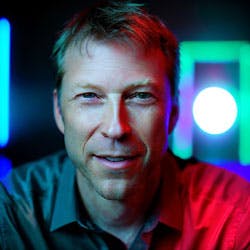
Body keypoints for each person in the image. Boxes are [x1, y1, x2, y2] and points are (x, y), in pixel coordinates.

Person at [0, 1, 249, 249]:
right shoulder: (11, 212)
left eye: (140, 96)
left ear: (173, 113)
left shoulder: (237, 214)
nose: (116, 128)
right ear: (58, 111)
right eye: (89, 96)